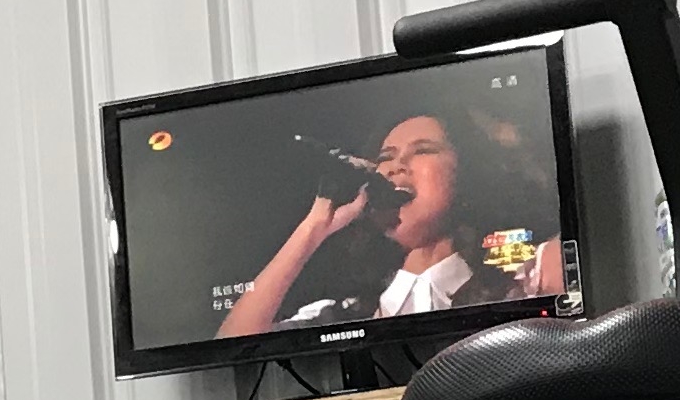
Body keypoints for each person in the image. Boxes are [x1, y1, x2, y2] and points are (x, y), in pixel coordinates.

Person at [217, 105, 564, 337]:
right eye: (385, 158)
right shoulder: (344, 315)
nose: (396, 166)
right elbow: (234, 341)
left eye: (423, 150)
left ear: (467, 173)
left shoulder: (530, 272)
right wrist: (315, 226)